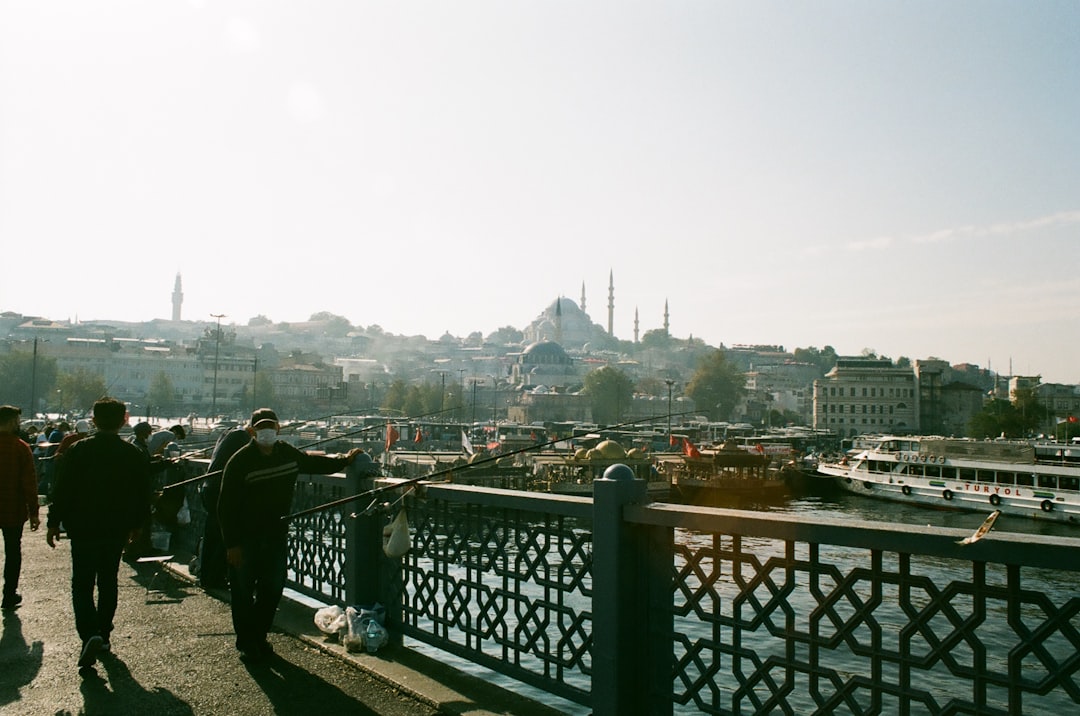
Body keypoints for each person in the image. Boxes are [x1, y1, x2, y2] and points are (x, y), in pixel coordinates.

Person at [218, 408, 362, 662]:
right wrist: (232, 544)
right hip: (245, 538)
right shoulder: (240, 461)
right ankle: (246, 643)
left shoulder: (286, 453)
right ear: (251, 431)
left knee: (272, 588)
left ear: (278, 429)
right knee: (242, 592)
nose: (266, 432)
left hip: (275, 535)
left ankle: (259, 637)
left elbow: (312, 463)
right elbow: (225, 506)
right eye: (260, 428)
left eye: (270, 427)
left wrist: (344, 460)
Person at [47, 397, 151, 670]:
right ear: (123, 421)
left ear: (93, 421)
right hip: (116, 527)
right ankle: (104, 634)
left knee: (82, 583)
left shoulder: (79, 450)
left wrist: (53, 522)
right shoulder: (132, 454)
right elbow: (142, 493)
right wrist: (137, 524)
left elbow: (63, 488)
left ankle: (89, 632)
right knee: (108, 580)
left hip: (83, 527)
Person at [196, 425, 250, 590]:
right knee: (224, 536)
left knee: (212, 533)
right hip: (221, 490)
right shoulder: (242, 437)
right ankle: (215, 577)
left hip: (209, 488)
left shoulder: (228, 433)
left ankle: (206, 577)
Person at [0, 405, 41, 611]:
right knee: (13, 552)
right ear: (10, 422)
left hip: (10, 508)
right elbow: (29, 483)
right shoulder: (20, 447)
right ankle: (9, 594)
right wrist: (34, 512)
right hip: (12, 509)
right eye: (17, 421)